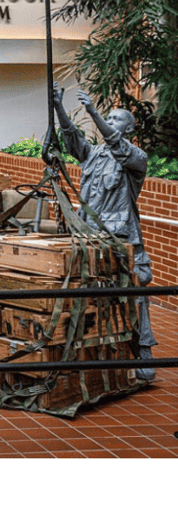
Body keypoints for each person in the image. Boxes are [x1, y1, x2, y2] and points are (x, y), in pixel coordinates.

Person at [53, 85, 157, 381]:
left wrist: (92, 111)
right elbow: (72, 139)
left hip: (123, 239)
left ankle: (143, 351)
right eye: (107, 117)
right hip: (88, 235)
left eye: (116, 119)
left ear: (129, 128)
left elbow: (115, 142)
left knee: (136, 294)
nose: (110, 123)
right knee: (84, 293)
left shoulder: (135, 157)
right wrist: (59, 107)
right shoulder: (93, 154)